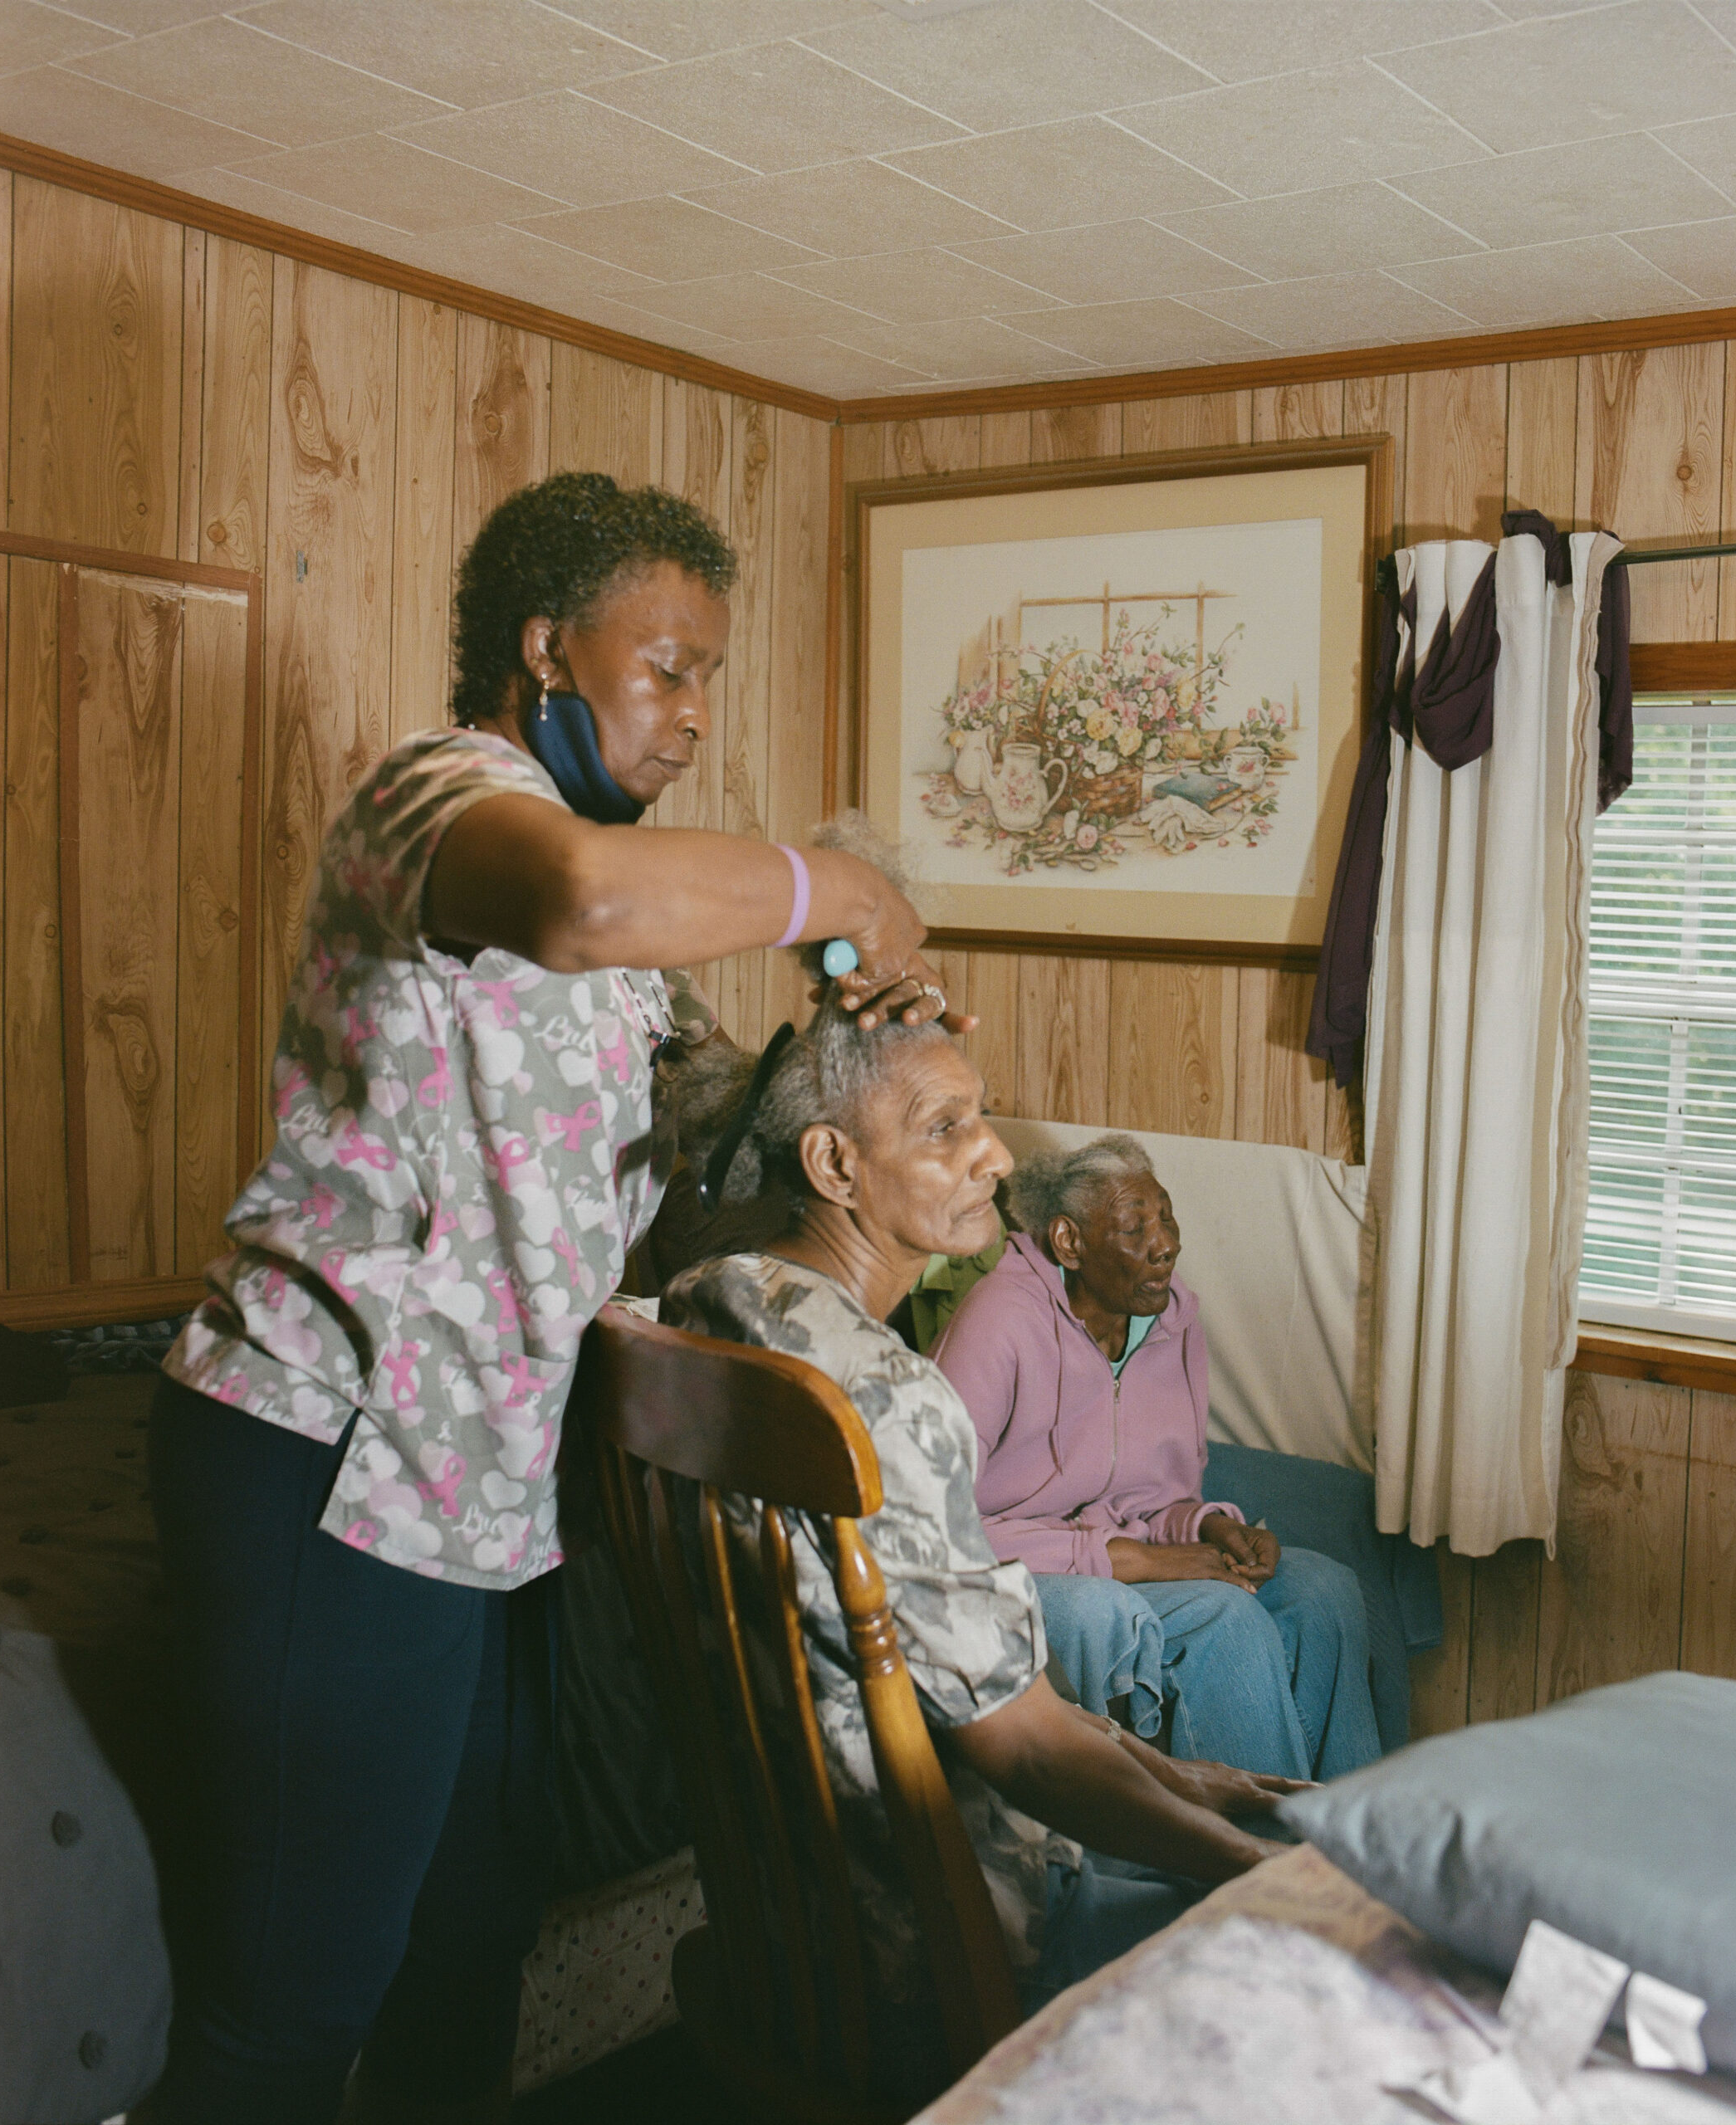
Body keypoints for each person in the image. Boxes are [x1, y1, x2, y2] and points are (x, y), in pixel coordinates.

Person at [144, 471, 963, 2125]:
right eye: (667, 665)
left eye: (708, 677)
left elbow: (662, 1203)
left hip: (484, 1485)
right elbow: (582, 896)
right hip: (326, 1453)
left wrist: (857, 1130)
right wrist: (844, 887)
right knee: (292, 2010)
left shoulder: (628, 969)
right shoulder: (438, 801)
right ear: (542, 645)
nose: (692, 713)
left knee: (471, 1939)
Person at [663, 985, 1300, 2103]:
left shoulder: (708, 1308)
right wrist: (1261, 1875)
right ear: (832, 1164)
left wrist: (1188, 1777)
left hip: (787, 1925)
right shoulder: (890, 1403)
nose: (997, 1158)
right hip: (939, 1954)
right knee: (1297, 1959)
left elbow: (975, 1688)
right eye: (945, 1130)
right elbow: (1030, 1752)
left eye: (982, 1119)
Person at [932, 1136, 1383, 1785]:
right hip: (1009, 1566)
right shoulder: (999, 1321)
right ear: (1069, 1243)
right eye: (1133, 1226)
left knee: (1325, 1592)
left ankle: (1354, 1844)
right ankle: (1263, 1863)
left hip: (1116, 1549)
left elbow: (1153, 1494)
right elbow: (937, 1524)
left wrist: (1208, 1528)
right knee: (1225, 1615)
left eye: (1165, 1216)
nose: (1165, 1242)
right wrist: (1130, 1559)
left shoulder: (1173, 1322)